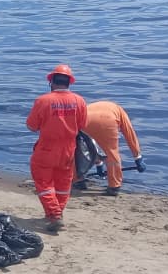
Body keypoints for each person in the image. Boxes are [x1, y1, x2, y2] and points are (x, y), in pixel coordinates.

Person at [26, 64, 88, 232]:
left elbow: (32, 126)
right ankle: (58, 211)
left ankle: (54, 215)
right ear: (69, 82)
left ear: (52, 81)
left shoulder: (43, 101)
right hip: (69, 149)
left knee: (43, 181)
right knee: (63, 182)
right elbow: (82, 125)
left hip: (46, 148)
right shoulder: (79, 101)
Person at [77, 100, 146, 195]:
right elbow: (129, 134)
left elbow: (94, 145)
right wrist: (137, 157)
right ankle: (114, 186)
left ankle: (79, 180)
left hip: (83, 120)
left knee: (80, 149)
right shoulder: (120, 112)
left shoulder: (102, 107)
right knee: (112, 153)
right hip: (108, 119)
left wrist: (99, 166)